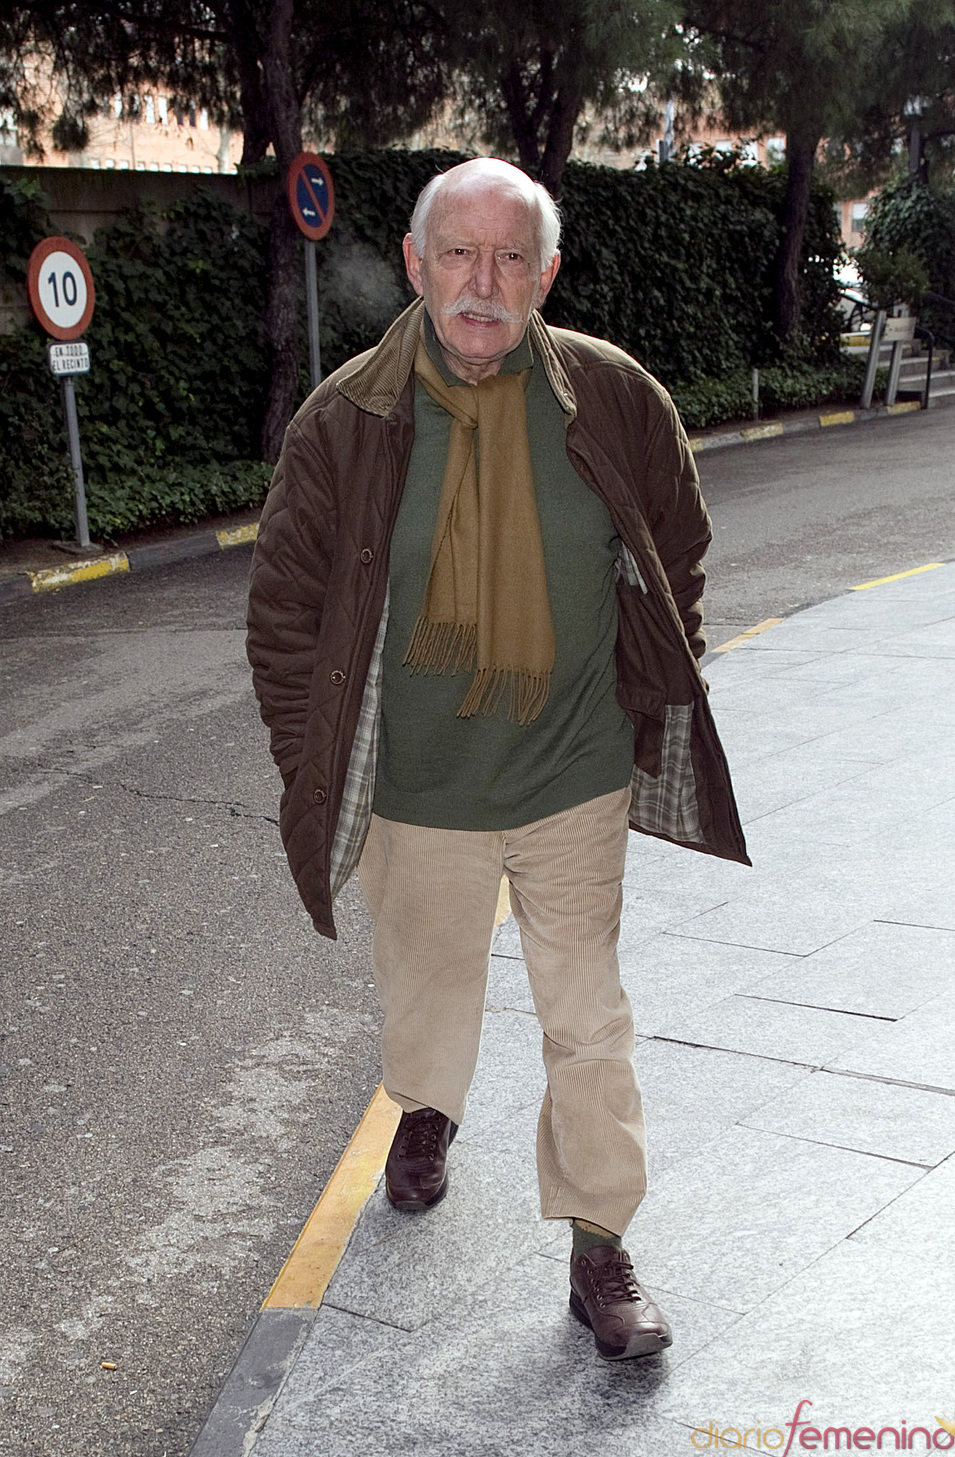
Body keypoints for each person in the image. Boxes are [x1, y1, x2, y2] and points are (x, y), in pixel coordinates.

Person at [246, 157, 747, 1362]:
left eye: (511, 257)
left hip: (572, 773)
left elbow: (675, 540)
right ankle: (427, 1103)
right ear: (416, 265)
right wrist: (312, 760)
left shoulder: (614, 397)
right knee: (428, 991)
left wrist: (639, 680)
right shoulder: (347, 421)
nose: (484, 282)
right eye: (458, 255)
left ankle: (597, 1247)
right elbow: (283, 618)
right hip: (419, 791)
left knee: (588, 1020)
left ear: (546, 273)